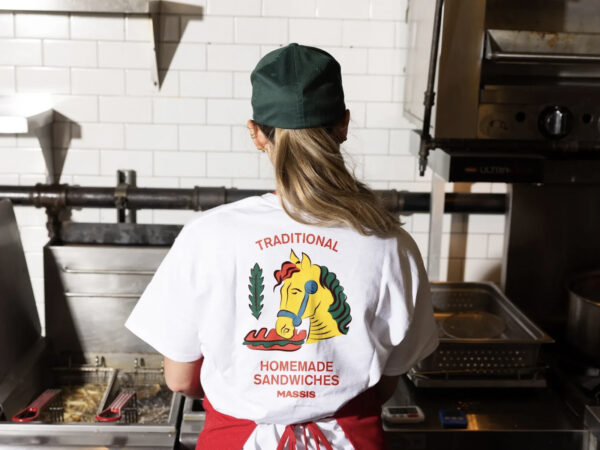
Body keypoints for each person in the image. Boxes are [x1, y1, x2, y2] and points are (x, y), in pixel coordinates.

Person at [125, 43, 438, 450]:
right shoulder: (390, 242)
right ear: (343, 125)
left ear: (256, 133)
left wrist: (254, 390)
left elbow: (181, 380)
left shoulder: (207, 235)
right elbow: (387, 380)